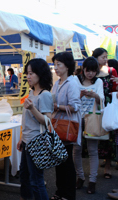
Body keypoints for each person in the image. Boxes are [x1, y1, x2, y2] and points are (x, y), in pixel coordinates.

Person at [16, 58, 53, 200]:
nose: (28, 76)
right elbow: (27, 121)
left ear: (40, 73)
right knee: (24, 177)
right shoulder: (32, 93)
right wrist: (21, 138)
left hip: (37, 142)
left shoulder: (45, 95)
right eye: (27, 73)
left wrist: (32, 108)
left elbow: (47, 121)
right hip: (27, 141)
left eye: (31, 73)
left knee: (36, 180)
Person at [51, 52, 81, 200]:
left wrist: (57, 106)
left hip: (66, 127)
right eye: (54, 64)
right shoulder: (57, 83)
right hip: (57, 126)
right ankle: (60, 191)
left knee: (66, 162)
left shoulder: (72, 83)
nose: (55, 68)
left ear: (67, 66)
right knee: (60, 161)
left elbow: (75, 106)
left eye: (59, 64)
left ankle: (68, 194)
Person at [72, 57, 104, 194]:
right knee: (76, 150)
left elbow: (102, 98)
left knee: (92, 151)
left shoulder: (99, 81)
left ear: (96, 71)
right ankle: (80, 177)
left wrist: (94, 95)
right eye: (87, 70)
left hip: (92, 119)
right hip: (77, 119)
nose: (90, 73)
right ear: (83, 69)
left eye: (93, 71)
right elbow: (72, 99)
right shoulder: (75, 80)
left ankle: (92, 181)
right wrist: (79, 95)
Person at [93, 48, 118, 179]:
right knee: (93, 136)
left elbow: (115, 91)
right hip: (94, 108)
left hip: (108, 108)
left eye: (106, 57)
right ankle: (93, 168)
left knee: (109, 138)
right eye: (103, 57)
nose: (106, 59)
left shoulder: (111, 71)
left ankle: (107, 167)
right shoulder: (91, 71)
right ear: (96, 58)